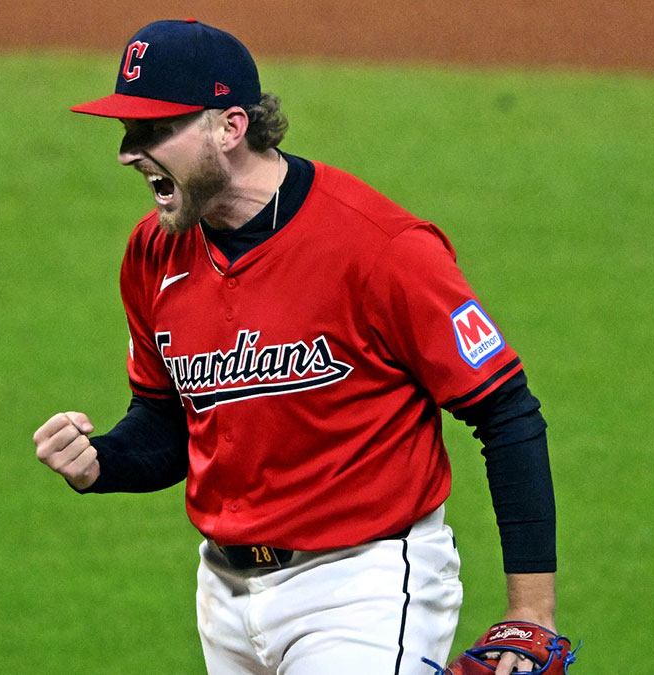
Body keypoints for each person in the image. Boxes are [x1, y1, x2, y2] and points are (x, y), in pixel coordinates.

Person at [35, 18, 561, 675]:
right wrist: (101, 460)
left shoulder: (380, 248)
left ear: (230, 128)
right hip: (224, 596)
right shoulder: (152, 254)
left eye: (153, 131)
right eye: (126, 133)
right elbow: (172, 420)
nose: (128, 153)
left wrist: (530, 610)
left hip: (362, 585)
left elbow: (504, 408)